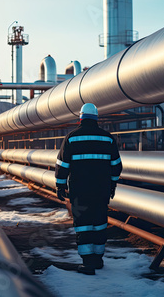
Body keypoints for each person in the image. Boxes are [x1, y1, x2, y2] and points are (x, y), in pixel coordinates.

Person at [55, 103, 122, 275]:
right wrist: (112, 184)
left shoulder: (71, 138)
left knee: (83, 224)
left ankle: (87, 262)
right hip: (101, 190)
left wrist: (60, 185)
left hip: (80, 191)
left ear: (81, 118)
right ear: (96, 118)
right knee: (99, 222)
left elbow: (62, 165)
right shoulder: (108, 138)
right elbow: (116, 166)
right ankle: (98, 259)